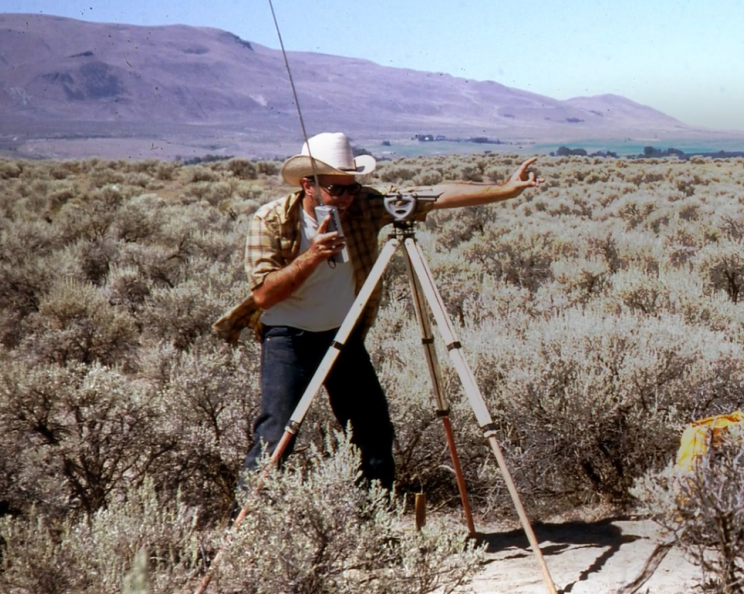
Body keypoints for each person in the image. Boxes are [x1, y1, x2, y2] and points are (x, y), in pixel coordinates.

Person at [212, 131, 544, 493]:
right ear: (309, 185)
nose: (347, 197)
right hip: (288, 339)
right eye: (337, 189)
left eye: (352, 187)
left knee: (373, 433)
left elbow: (432, 195)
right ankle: (244, 529)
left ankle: (375, 522)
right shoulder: (271, 220)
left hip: (343, 335)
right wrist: (314, 256)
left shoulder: (363, 206)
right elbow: (263, 295)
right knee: (276, 436)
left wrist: (505, 190)